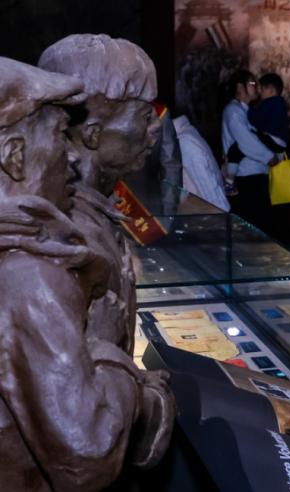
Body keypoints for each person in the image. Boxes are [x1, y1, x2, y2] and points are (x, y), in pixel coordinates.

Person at [0, 56, 174, 491]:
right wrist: (107, 353)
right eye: (60, 135)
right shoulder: (28, 276)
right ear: (14, 156)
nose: (71, 156)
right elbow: (89, 451)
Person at [39, 33, 163, 354]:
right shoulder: (69, 239)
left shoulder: (95, 212)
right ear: (93, 134)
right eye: (144, 116)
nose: (155, 128)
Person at [221, 69, 280, 231]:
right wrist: (269, 156)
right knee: (253, 227)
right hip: (247, 176)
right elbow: (246, 141)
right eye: (252, 83)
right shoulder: (233, 111)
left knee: (259, 226)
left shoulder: (245, 110)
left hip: (254, 174)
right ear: (240, 87)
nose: (257, 87)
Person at [248, 72, 289, 150]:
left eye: (262, 89)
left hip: (274, 139)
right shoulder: (280, 103)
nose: (260, 92)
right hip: (281, 142)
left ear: (271, 91)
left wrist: (249, 110)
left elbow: (257, 119)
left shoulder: (270, 103)